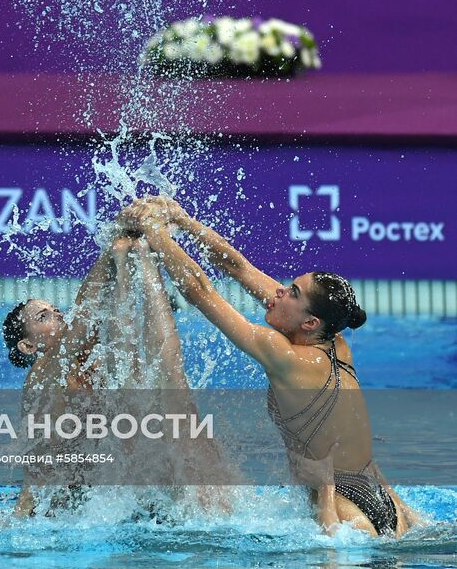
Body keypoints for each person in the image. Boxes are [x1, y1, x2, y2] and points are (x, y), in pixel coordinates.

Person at [119, 195, 423, 537]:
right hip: (384, 500)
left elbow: (198, 290)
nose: (278, 292)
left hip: (342, 508)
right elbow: (239, 269)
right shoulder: (336, 343)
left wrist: (155, 233)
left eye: (292, 292)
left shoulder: (285, 357)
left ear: (309, 322)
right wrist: (184, 221)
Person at [2, 231, 224, 515]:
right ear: (28, 345)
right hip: (45, 514)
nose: (56, 315)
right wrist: (113, 253)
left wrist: (127, 264)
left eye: (55, 310)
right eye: (43, 317)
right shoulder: (42, 376)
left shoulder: (88, 358)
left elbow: (111, 319)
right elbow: (85, 315)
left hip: (93, 505)